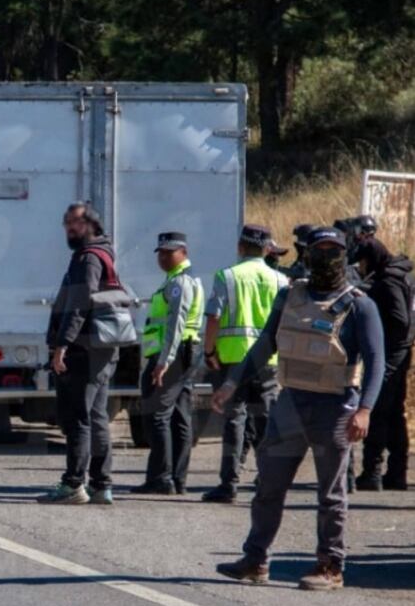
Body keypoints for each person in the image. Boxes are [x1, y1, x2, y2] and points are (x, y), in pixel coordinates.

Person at [215, 227, 384, 591]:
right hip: (290, 404)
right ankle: (255, 560)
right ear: (306, 254)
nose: (326, 256)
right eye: (319, 249)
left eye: (333, 250)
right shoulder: (289, 296)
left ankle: (330, 566)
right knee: (268, 486)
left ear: (344, 255)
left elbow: (376, 361)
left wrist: (365, 409)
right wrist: (232, 382)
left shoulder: (360, 305)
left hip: (335, 408)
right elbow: (265, 344)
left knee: (331, 494)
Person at [37, 203, 119, 506]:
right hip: (100, 350)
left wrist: (62, 346)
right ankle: (101, 485)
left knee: (77, 418)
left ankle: (74, 484)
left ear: (91, 225)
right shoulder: (103, 253)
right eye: (66, 222)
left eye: (74, 222)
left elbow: (79, 306)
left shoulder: (88, 259)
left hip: (84, 350)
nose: (69, 228)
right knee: (96, 417)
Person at [201, 224, 287, 504]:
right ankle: (267, 480)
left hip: (231, 358)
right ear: (267, 249)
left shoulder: (226, 276)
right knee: (266, 420)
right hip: (268, 360)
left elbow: (213, 317)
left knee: (234, 420)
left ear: (240, 247)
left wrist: (209, 351)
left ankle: (229, 484)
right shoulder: (280, 280)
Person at [131, 232, 204, 495]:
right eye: (160, 252)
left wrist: (164, 361)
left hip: (173, 354)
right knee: (179, 416)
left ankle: (161, 478)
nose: (163, 257)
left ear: (183, 253)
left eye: (169, 252)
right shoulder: (177, 279)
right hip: (183, 352)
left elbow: (175, 325)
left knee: (156, 415)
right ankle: (176, 478)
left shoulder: (179, 283)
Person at [353, 237, 414, 490]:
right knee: (394, 413)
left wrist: (381, 339)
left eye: (362, 263)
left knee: (377, 410)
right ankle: (396, 473)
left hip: (391, 353)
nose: (360, 268)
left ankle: (373, 472)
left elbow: (400, 320)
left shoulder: (388, 280)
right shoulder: (401, 275)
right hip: (401, 351)